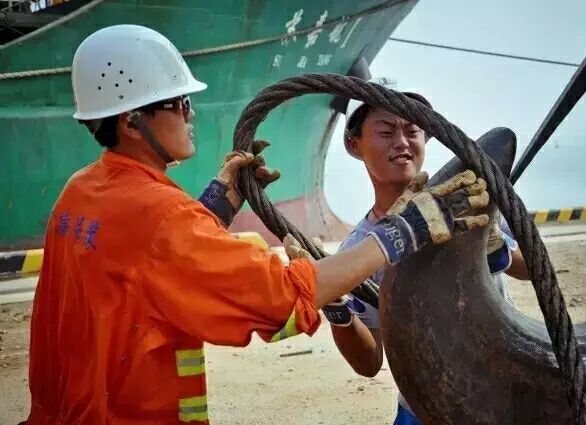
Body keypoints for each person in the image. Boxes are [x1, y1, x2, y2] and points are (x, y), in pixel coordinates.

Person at [24, 26, 492, 425]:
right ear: (131, 122)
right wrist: (405, 230)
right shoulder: (161, 216)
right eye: (179, 103)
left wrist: (217, 206)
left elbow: (145, 271)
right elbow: (280, 297)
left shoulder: (81, 191)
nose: (191, 113)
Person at [325, 89, 530, 425]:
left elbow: (532, 270)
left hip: (504, 394)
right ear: (354, 144)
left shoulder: (469, 201)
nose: (401, 142)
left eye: (412, 130)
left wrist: (496, 246)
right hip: (426, 408)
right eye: (386, 132)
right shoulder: (358, 251)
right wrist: (336, 308)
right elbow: (368, 363)